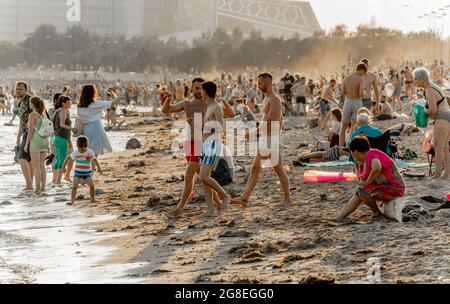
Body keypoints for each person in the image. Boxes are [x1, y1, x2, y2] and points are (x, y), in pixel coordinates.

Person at [232, 72, 291, 206]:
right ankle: (245, 198)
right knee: (270, 169)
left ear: (267, 83)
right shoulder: (267, 98)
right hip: (268, 138)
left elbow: (273, 121)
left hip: (270, 139)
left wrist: (254, 132)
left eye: (260, 83)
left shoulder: (274, 99)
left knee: (263, 168)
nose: (258, 86)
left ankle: (286, 198)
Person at [336, 136, 405, 221]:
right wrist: (351, 197)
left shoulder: (370, 154)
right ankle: (340, 217)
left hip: (395, 187)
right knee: (359, 191)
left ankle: (377, 213)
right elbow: (361, 184)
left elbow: (377, 167)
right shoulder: (361, 162)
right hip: (386, 187)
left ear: (356, 152)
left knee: (362, 190)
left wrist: (368, 181)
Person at [198, 81, 232, 217]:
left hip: (213, 144)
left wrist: (207, 129)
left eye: (201, 90)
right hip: (205, 145)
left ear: (205, 91)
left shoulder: (216, 107)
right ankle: (210, 209)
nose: (200, 92)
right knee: (205, 179)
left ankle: (225, 196)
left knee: (203, 177)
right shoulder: (209, 107)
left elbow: (220, 127)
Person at [413, 67, 450, 179]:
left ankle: (438, 174)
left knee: (438, 147)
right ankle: (447, 174)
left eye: (416, 79)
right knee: (445, 148)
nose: (414, 81)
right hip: (448, 115)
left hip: (442, 117)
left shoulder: (429, 89)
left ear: (422, 79)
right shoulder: (434, 86)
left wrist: (424, 111)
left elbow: (433, 110)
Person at [63, 136, 103, 205]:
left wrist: (99, 168)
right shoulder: (76, 152)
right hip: (77, 173)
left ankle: (93, 199)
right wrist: (64, 167)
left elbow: (94, 160)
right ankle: (72, 201)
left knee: (92, 186)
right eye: (79, 148)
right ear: (77, 146)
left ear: (86, 146)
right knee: (74, 187)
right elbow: (68, 158)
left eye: (83, 149)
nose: (81, 150)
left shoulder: (90, 152)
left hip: (87, 173)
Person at [77, 85, 112, 156]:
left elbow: (80, 118)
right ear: (92, 93)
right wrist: (118, 96)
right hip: (96, 126)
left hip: (86, 127)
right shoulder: (95, 103)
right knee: (95, 148)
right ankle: (93, 166)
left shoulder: (80, 105)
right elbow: (110, 103)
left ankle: (89, 165)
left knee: (88, 147)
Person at [24, 97, 49, 195]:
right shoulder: (43, 114)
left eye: (30, 103)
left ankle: (37, 189)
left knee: (36, 166)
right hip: (44, 141)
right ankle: (43, 188)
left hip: (36, 141)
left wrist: (26, 144)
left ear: (32, 104)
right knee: (42, 165)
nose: (29, 105)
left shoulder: (32, 114)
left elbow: (30, 131)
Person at [339, 63, 367, 147]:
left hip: (347, 102)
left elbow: (342, 92)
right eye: (364, 72)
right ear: (361, 70)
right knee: (354, 126)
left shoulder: (346, 78)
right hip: (357, 102)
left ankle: (341, 147)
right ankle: (350, 146)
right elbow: (361, 93)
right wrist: (365, 93)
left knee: (343, 127)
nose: (363, 75)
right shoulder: (361, 79)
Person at [52, 96, 77, 185]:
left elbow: (52, 122)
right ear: (63, 103)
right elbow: (62, 124)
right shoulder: (62, 111)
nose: (70, 104)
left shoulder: (58, 111)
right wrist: (72, 128)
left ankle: (54, 180)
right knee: (61, 159)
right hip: (62, 138)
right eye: (69, 102)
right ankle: (58, 181)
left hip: (57, 137)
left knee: (58, 158)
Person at [15, 82, 34, 191]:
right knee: (28, 160)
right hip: (26, 134)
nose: (18, 91)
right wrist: (18, 136)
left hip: (31, 133)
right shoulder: (20, 102)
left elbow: (39, 115)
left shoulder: (30, 100)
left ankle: (29, 185)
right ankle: (30, 184)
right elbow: (22, 121)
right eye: (17, 89)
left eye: (20, 89)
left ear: (26, 90)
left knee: (21, 158)